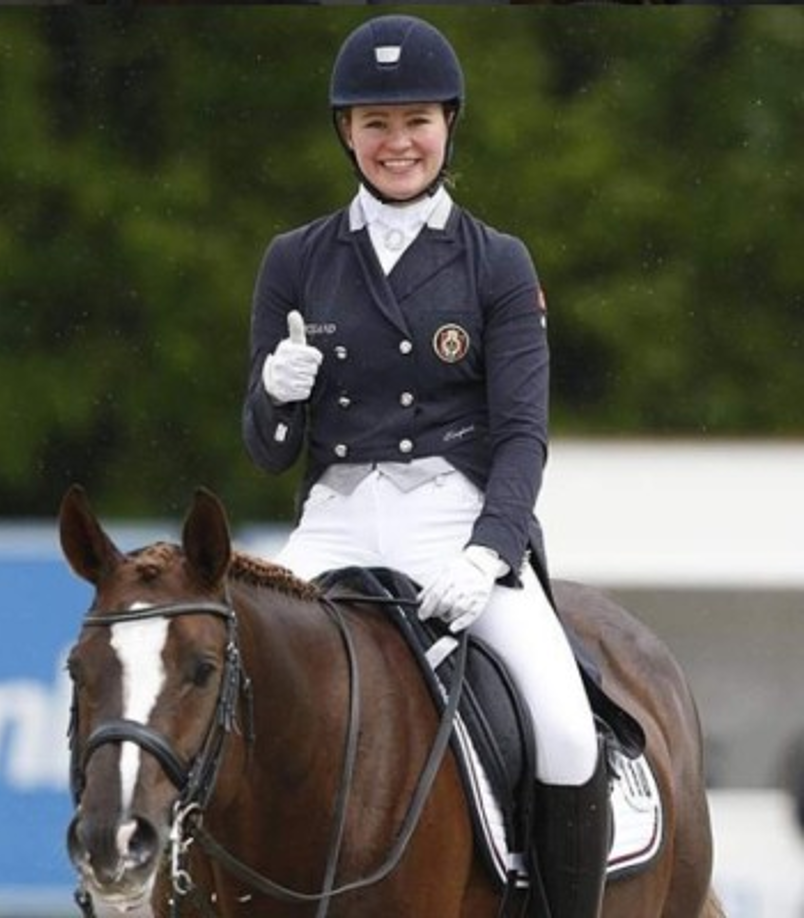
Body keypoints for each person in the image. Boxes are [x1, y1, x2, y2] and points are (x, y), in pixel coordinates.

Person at [242, 15, 609, 917]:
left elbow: (522, 435)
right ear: (345, 134)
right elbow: (267, 452)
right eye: (374, 124)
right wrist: (274, 392)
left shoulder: (495, 264)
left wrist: (489, 552)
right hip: (332, 521)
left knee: (565, 727)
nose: (395, 142)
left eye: (414, 121)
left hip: (454, 517)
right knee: (220, 680)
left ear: (447, 125)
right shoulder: (295, 260)